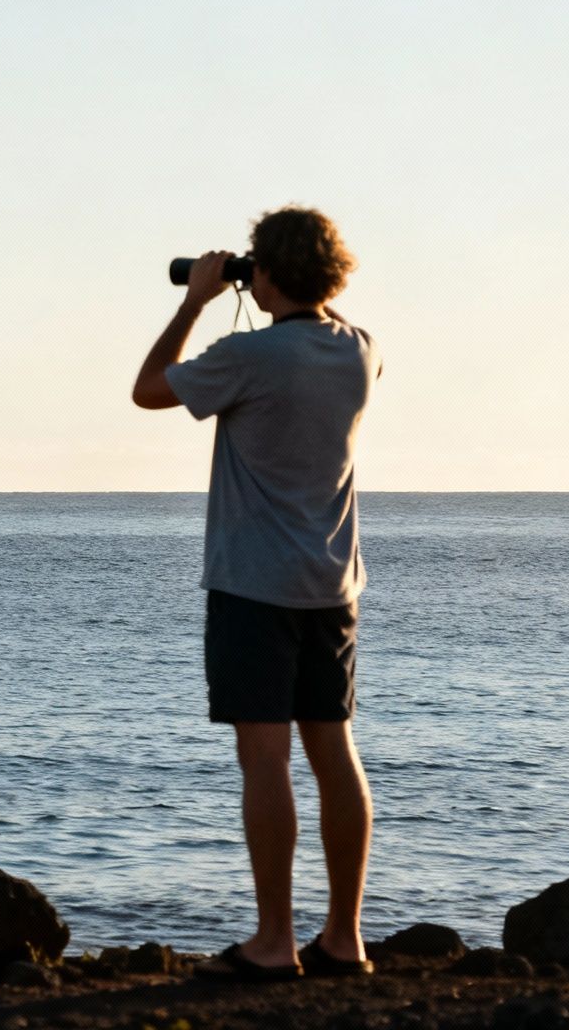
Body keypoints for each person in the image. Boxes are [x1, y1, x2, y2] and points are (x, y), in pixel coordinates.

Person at [131, 205, 382, 981]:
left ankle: (274, 942)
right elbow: (321, 320)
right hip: (331, 587)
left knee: (266, 761)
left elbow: (147, 391)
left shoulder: (248, 356)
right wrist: (290, 284)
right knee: (334, 754)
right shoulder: (359, 350)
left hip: (254, 588)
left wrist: (196, 298)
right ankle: (345, 939)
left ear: (263, 272)